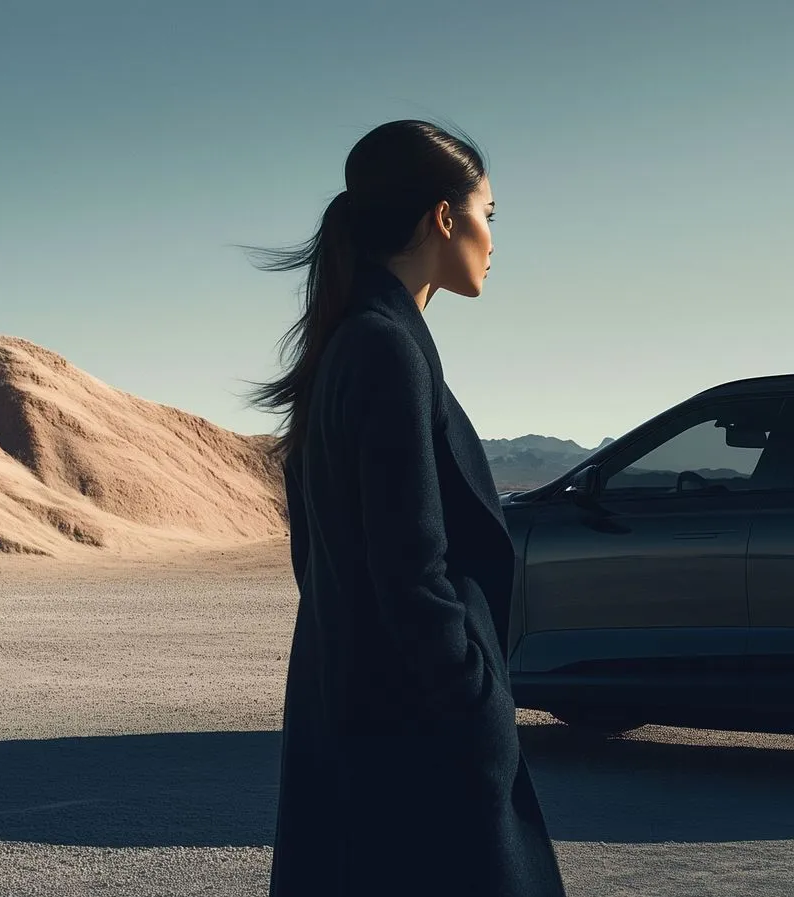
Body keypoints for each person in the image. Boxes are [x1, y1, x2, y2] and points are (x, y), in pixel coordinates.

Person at [245, 119, 568, 896]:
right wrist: (479, 713)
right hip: (413, 733)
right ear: (444, 217)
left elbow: (319, 553)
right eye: (490, 213)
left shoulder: (351, 342)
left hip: (360, 716)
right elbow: (412, 570)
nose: (494, 237)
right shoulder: (386, 350)